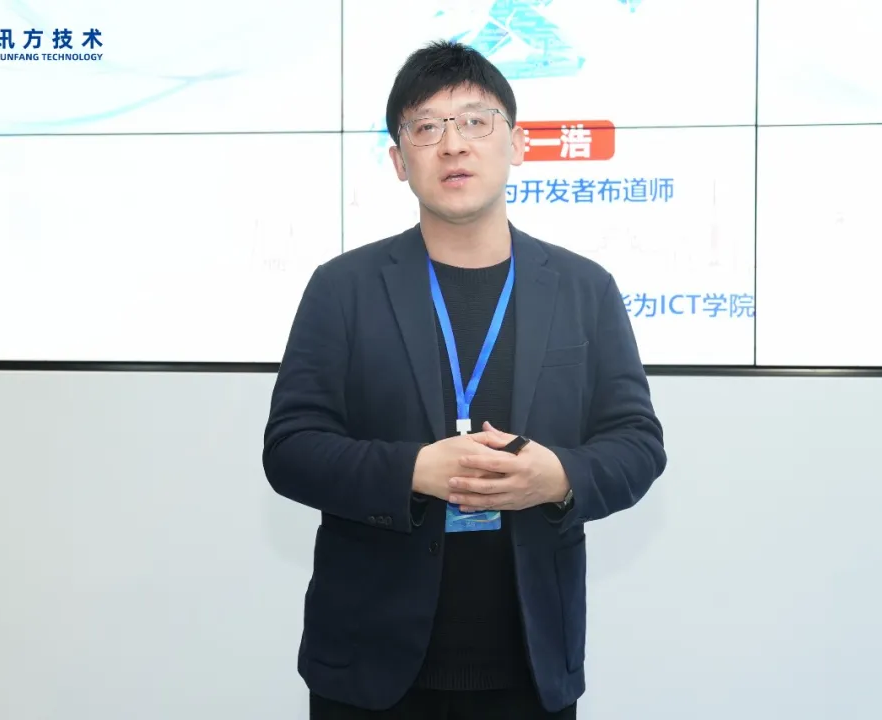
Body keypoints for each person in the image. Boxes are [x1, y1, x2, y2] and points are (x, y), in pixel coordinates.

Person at [263, 40, 667, 720]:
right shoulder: (343, 288)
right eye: (426, 127)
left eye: (476, 121)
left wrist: (557, 477)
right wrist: (414, 471)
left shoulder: (583, 288)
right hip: (368, 668)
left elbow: (637, 443)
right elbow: (291, 449)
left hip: (530, 667)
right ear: (400, 161)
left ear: (517, 144)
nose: (453, 144)